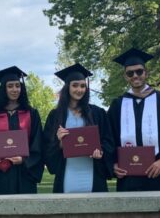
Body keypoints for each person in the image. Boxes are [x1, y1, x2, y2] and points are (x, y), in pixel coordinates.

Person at [108, 48, 160, 191]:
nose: (135, 76)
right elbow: (109, 138)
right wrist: (113, 164)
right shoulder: (117, 105)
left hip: (159, 171)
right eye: (130, 73)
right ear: (125, 76)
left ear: (146, 72)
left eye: (139, 71)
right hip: (127, 176)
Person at [43, 63, 115, 193]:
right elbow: (46, 146)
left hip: (93, 173)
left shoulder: (98, 113)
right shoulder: (56, 115)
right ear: (67, 88)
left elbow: (108, 141)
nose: (79, 89)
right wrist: (59, 143)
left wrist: (101, 152)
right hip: (67, 174)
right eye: (75, 85)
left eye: (82, 86)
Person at [0, 66, 44, 195]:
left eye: (17, 86)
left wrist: (24, 159)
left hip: (24, 173)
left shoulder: (32, 113)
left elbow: (38, 143)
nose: (15, 89)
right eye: (10, 86)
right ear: (4, 89)